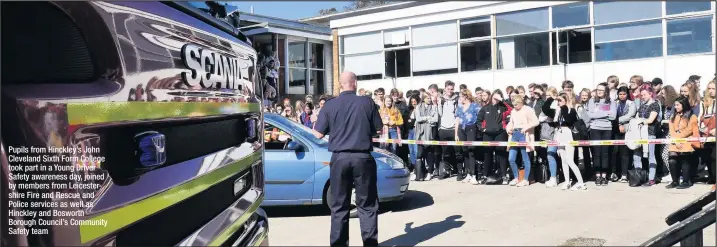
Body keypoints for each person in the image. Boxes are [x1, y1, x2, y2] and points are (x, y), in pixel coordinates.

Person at [313, 71, 383, 247]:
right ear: (355, 83)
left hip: (340, 159)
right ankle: (370, 244)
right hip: (363, 157)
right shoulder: (367, 102)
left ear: (339, 84)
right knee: (367, 205)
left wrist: (317, 120)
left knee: (339, 206)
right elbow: (379, 130)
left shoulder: (329, 105)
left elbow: (318, 133)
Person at [551, 92, 588, 190]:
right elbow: (554, 120)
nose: (558, 102)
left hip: (568, 134)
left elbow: (568, 120)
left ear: (566, 100)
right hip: (560, 134)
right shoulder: (558, 110)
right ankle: (567, 181)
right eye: (557, 101)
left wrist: (563, 106)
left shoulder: (571, 110)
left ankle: (581, 182)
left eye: (560, 100)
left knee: (569, 160)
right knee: (563, 160)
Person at [476, 90, 512, 184]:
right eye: (495, 96)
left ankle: (504, 175)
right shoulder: (485, 108)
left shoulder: (503, 107)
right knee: (487, 154)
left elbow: (511, 110)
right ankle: (485, 175)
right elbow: (479, 120)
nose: (496, 99)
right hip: (487, 134)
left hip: (500, 133)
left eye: (498, 97)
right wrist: (483, 129)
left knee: (501, 154)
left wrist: (502, 100)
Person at [585, 82, 616, 186]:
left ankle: (604, 176)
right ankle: (597, 176)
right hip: (595, 128)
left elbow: (613, 116)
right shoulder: (592, 101)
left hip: (607, 129)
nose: (599, 91)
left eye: (601, 90)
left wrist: (597, 114)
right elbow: (590, 115)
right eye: (597, 89)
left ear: (606, 91)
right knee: (596, 153)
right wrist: (606, 113)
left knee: (605, 153)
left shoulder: (611, 102)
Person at [666, 95, 699, 189]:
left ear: (683, 105)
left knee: (685, 159)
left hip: (687, 141)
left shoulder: (691, 116)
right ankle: (675, 181)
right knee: (672, 159)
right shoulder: (673, 116)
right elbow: (671, 129)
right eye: (675, 105)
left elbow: (689, 130)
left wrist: (678, 138)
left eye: (677, 105)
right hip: (675, 141)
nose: (675, 107)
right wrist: (676, 140)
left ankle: (686, 181)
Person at [506, 95, 539, 187]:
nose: (515, 106)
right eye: (513, 104)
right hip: (514, 134)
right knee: (511, 158)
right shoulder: (513, 111)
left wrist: (526, 127)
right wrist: (508, 129)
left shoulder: (528, 109)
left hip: (524, 134)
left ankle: (525, 179)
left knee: (525, 158)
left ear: (521, 102)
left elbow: (536, 121)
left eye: (516, 104)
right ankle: (516, 178)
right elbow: (511, 123)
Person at [633, 84, 661, 187]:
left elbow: (650, 120)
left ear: (650, 94)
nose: (642, 97)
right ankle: (638, 177)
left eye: (644, 95)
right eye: (641, 95)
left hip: (650, 134)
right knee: (636, 155)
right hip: (639, 134)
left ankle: (652, 179)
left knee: (651, 156)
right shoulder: (642, 104)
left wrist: (639, 122)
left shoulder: (655, 105)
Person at [454, 89, 481, 184]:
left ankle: (474, 175)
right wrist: (456, 134)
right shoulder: (459, 108)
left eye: (461, 96)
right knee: (464, 151)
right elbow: (457, 120)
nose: (460, 99)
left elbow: (480, 118)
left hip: (471, 128)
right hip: (461, 129)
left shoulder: (474, 106)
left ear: (466, 96)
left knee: (471, 151)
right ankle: (468, 173)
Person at [411, 94, 439, 181]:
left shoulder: (434, 107)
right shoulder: (418, 107)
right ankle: (419, 173)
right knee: (419, 154)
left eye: (430, 98)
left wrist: (428, 120)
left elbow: (436, 119)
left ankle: (430, 172)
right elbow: (418, 118)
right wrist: (428, 118)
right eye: (428, 98)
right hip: (420, 134)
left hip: (430, 133)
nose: (430, 99)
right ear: (423, 99)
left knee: (429, 153)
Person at [611, 87, 636, 183]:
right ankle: (614, 173)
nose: (622, 96)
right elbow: (612, 115)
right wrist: (618, 123)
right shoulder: (614, 103)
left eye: (624, 94)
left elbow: (630, 116)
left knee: (624, 153)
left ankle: (624, 174)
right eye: (620, 94)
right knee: (614, 152)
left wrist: (618, 120)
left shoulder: (631, 103)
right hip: (615, 129)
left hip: (627, 130)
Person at [437, 81, 461, 180]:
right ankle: (446, 170)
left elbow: (458, 115)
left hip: (453, 129)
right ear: (445, 89)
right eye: (448, 89)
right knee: (445, 152)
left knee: (457, 152)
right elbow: (439, 114)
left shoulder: (457, 99)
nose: (450, 91)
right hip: (443, 129)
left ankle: (459, 171)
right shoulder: (441, 100)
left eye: (452, 89)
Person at [658, 85, 679, 183]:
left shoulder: (675, 105)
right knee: (663, 153)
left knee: (668, 153)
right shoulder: (665, 106)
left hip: (672, 133)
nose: (661, 95)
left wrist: (665, 121)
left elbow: (674, 119)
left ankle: (674, 174)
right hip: (665, 132)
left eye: (663, 93)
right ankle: (672, 172)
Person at [697, 79, 716, 185]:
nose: (711, 91)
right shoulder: (704, 103)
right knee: (707, 157)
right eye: (709, 88)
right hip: (706, 135)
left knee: (714, 157)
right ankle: (712, 177)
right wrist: (702, 128)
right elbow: (700, 117)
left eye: (713, 88)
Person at [406, 95, 421, 177]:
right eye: (412, 102)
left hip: (416, 130)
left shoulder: (419, 109)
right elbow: (407, 120)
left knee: (416, 150)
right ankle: (414, 167)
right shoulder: (409, 110)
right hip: (410, 131)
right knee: (411, 150)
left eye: (415, 101)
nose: (413, 103)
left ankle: (418, 170)